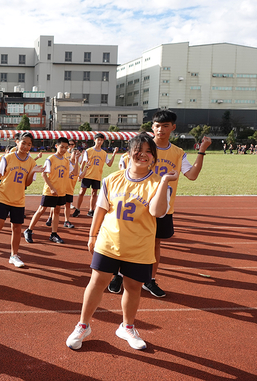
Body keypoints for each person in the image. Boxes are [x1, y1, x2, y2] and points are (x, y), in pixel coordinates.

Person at [66, 133, 178, 351]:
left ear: (154, 157)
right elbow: (100, 210)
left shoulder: (159, 183)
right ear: (129, 153)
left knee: (133, 287)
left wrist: (164, 180)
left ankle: (126, 327)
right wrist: (92, 235)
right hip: (109, 242)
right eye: (139, 150)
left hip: (140, 247)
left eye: (149, 152)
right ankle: (83, 325)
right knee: (97, 283)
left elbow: (157, 211)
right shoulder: (111, 179)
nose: (143, 155)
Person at [108, 110, 211, 298]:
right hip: (137, 205)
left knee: (155, 244)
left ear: (173, 127)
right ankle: (119, 275)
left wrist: (202, 150)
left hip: (162, 208)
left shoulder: (178, 153)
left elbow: (192, 175)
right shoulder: (142, 148)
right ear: (152, 127)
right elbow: (124, 171)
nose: (160, 129)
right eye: (157, 125)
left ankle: (150, 280)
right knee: (127, 241)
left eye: (165, 126)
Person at [0, 132, 43, 268]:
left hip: (18, 199)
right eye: (24, 143)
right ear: (17, 142)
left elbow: (27, 183)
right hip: (3, 196)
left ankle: (14, 256)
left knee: (17, 228)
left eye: (29, 144)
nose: (26, 146)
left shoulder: (32, 162)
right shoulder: (8, 157)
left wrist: (33, 172)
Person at [24, 138, 79, 244]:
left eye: (66, 148)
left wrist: (76, 160)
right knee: (42, 210)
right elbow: (44, 174)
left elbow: (75, 172)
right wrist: (52, 188)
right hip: (50, 191)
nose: (64, 149)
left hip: (61, 191)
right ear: (56, 146)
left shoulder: (66, 161)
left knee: (57, 211)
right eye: (61, 147)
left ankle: (54, 234)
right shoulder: (51, 159)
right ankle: (29, 230)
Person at [71, 133, 118, 218]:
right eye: (98, 139)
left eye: (101, 140)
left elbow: (109, 164)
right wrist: (80, 174)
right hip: (87, 175)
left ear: (103, 141)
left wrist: (114, 154)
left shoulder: (104, 153)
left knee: (94, 193)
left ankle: (91, 210)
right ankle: (77, 209)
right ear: (94, 140)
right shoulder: (88, 151)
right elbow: (83, 163)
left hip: (97, 176)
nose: (99, 141)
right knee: (82, 192)